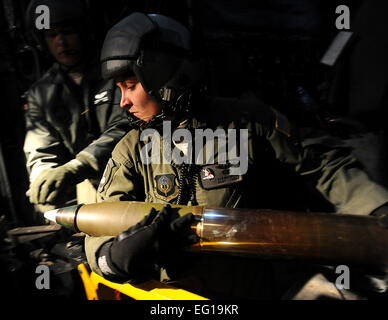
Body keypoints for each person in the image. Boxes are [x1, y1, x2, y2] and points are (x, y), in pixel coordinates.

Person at [85, 12, 388, 299]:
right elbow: (100, 221)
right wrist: (111, 257)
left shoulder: (248, 123)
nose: (123, 102)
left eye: (130, 86)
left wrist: (377, 209)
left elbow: (325, 167)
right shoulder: (132, 149)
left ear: (163, 75)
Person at [23, 0, 130, 210]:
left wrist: (77, 167)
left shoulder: (117, 70)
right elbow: (40, 147)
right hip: (89, 187)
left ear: (85, 31)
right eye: (52, 35)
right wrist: (44, 177)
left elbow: (128, 126)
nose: (61, 42)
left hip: (134, 176)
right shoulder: (41, 92)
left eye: (67, 32)